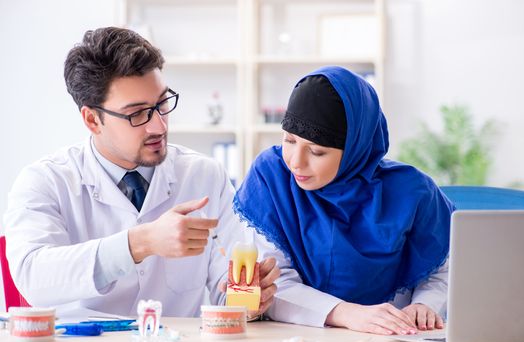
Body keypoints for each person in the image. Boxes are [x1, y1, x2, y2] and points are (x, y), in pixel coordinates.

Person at [2, 28, 338, 326]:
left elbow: (228, 287)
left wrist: (249, 299)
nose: (159, 125)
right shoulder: (46, 181)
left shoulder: (203, 174)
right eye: (137, 114)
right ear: (92, 120)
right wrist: (139, 243)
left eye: (162, 104)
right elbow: (34, 276)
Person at [234, 66, 454, 335]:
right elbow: (272, 284)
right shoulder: (271, 177)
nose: (295, 162)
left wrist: (425, 304)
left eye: (316, 151)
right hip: (300, 338)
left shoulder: (413, 191)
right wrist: (346, 313)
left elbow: (440, 269)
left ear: (355, 148)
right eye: (289, 140)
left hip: (393, 340)